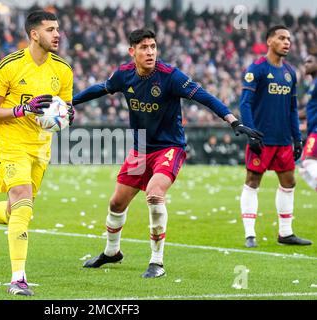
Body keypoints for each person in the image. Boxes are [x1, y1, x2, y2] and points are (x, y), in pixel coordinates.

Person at [72, 29, 262, 278]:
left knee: (154, 194)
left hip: (168, 147)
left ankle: (157, 261)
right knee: (116, 203)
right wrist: (70, 102)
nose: (150, 51)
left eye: (153, 46)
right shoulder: (124, 75)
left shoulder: (170, 76)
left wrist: (233, 121)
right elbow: (101, 88)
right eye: (144, 47)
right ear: (133, 52)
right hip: (140, 148)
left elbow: (204, 97)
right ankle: (111, 252)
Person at [0, 10, 74, 296]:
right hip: (11, 144)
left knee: (18, 211)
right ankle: (18, 279)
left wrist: (66, 114)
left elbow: (66, 109)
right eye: (50, 30)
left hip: (41, 147)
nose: (57, 34)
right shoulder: (9, 66)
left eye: (57, 29)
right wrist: (21, 109)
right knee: (22, 200)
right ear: (34, 34)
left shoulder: (63, 70)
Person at [239, 25, 312, 248]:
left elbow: (292, 108)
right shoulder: (257, 69)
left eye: (289, 38)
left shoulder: (290, 72)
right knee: (253, 181)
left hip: (283, 140)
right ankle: (250, 234)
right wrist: (251, 133)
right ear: (269, 41)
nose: (287, 42)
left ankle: (286, 233)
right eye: (281, 38)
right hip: (262, 138)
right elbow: (245, 103)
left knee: (289, 182)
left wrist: (297, 137)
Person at [298, 47, 317, 191]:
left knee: (308, 163)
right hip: (312, 129)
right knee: (305, 169)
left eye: (310, 61)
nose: (306, 64)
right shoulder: (313, 83)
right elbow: (308, 111)